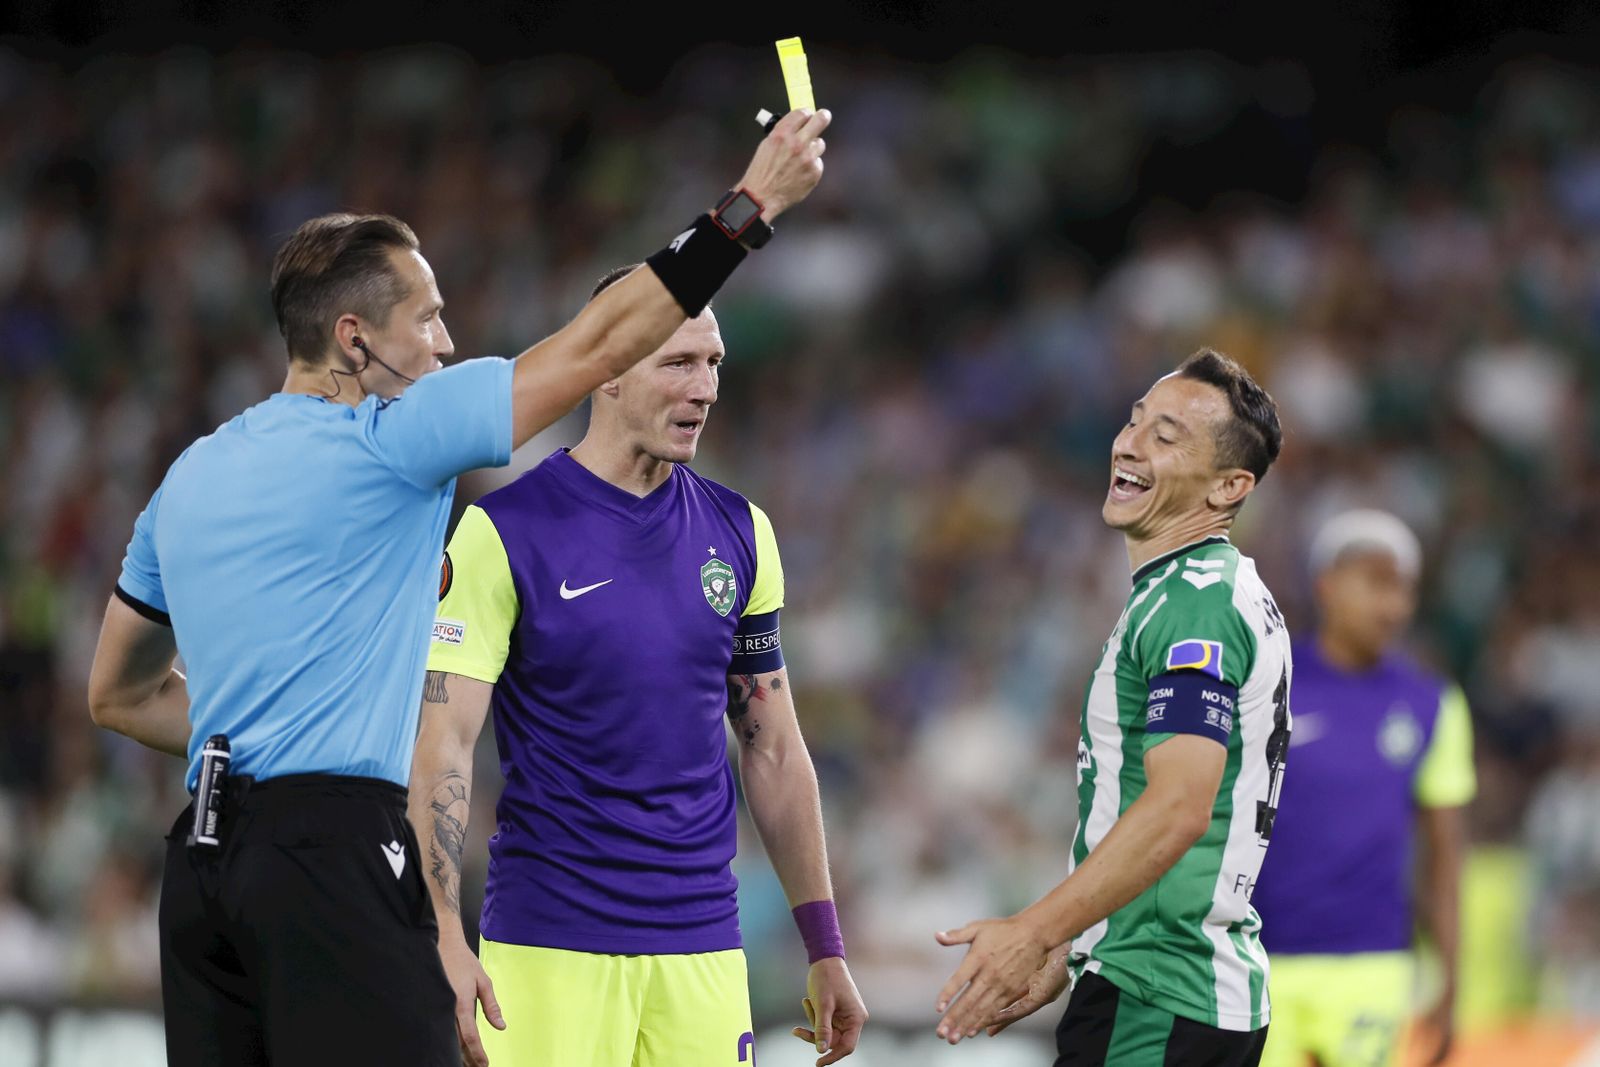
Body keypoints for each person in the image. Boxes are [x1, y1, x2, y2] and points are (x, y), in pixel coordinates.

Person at [83, 107, 832, 1067]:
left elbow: (118, 693)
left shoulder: (187, 476)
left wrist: (262, 741)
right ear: (354, 340)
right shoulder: (394, 441)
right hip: (330, 853)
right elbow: (599, 344)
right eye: (427, 318)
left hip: (199, 864)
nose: (444, 344)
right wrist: (750, 206)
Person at [412, 264, 868, 1067]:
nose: (706, 389)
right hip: (550, 944)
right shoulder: (503, 530)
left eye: (714, 364)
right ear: (609, 367)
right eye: (679, 363)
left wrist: (824, 942)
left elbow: (773, 747)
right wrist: (444, 930)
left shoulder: (741, 531)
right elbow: (442, 741)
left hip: (703, 947)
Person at [932, 349, 1290, 1065]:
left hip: (1157, 994)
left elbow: (1180, 807)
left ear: (1229, 485)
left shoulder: (1194, 603)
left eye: (1167, 436)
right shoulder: (1207, 588)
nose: (1128, 443)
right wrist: (1072, 943)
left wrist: (1034, 930)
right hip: (1167, 982)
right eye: (1135, 422)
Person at [1254, 509, 1475, 1067]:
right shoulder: (1265, 687)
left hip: (1373, 966)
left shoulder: (1433, 706)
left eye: (1403, 588)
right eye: (1376, 582)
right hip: (1256, 959)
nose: (1393, 605)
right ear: (1326, 584)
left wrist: (1452, 979)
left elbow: (1445, 855)